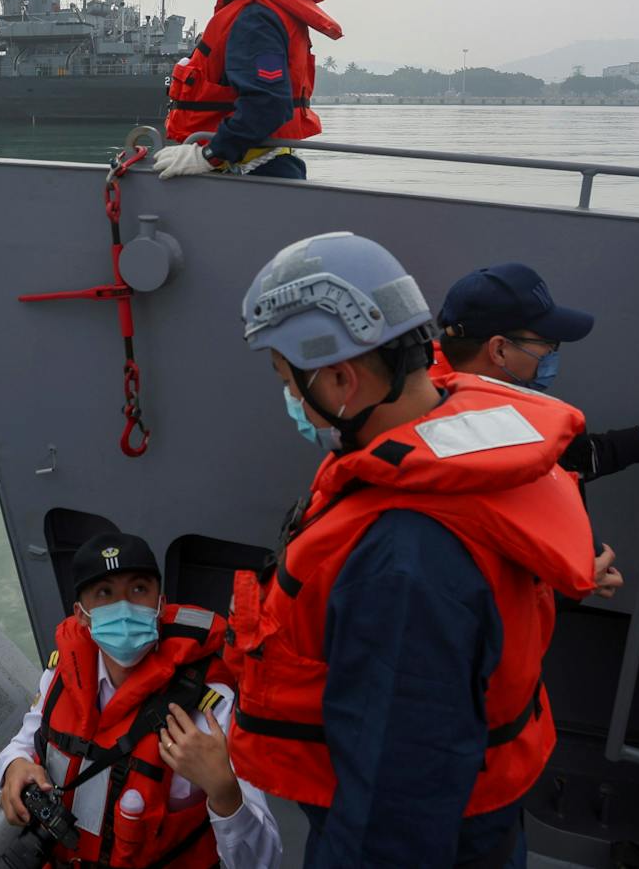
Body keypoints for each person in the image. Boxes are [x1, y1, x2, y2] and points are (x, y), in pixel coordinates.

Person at [225, 232, 598, 867]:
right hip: (484, 814)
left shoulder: (401, 561)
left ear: (341, 379)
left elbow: (393, 809)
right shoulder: (455, 428)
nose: (289, 398)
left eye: (289, 380)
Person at [0, 531, 281, 869]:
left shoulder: (212, 708)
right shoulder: (60, 676)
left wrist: (224, 792)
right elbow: (20, 745)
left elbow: (264, 861)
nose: (124, 606)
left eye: (139, 589)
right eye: (104, 593)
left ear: (161, 603)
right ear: (81, 614)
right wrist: (13, 767)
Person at [434, 262, 639, 481]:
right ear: (500, 350)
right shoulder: (466, 434)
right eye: (548, 342)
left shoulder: (430, 389)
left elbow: (566, 457)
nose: (552, 352)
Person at [155, 0, 341, 181]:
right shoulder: (273, 9)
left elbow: (267, 103)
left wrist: (209, 154)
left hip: (251, 173)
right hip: (263, 167)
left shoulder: (256, 17)